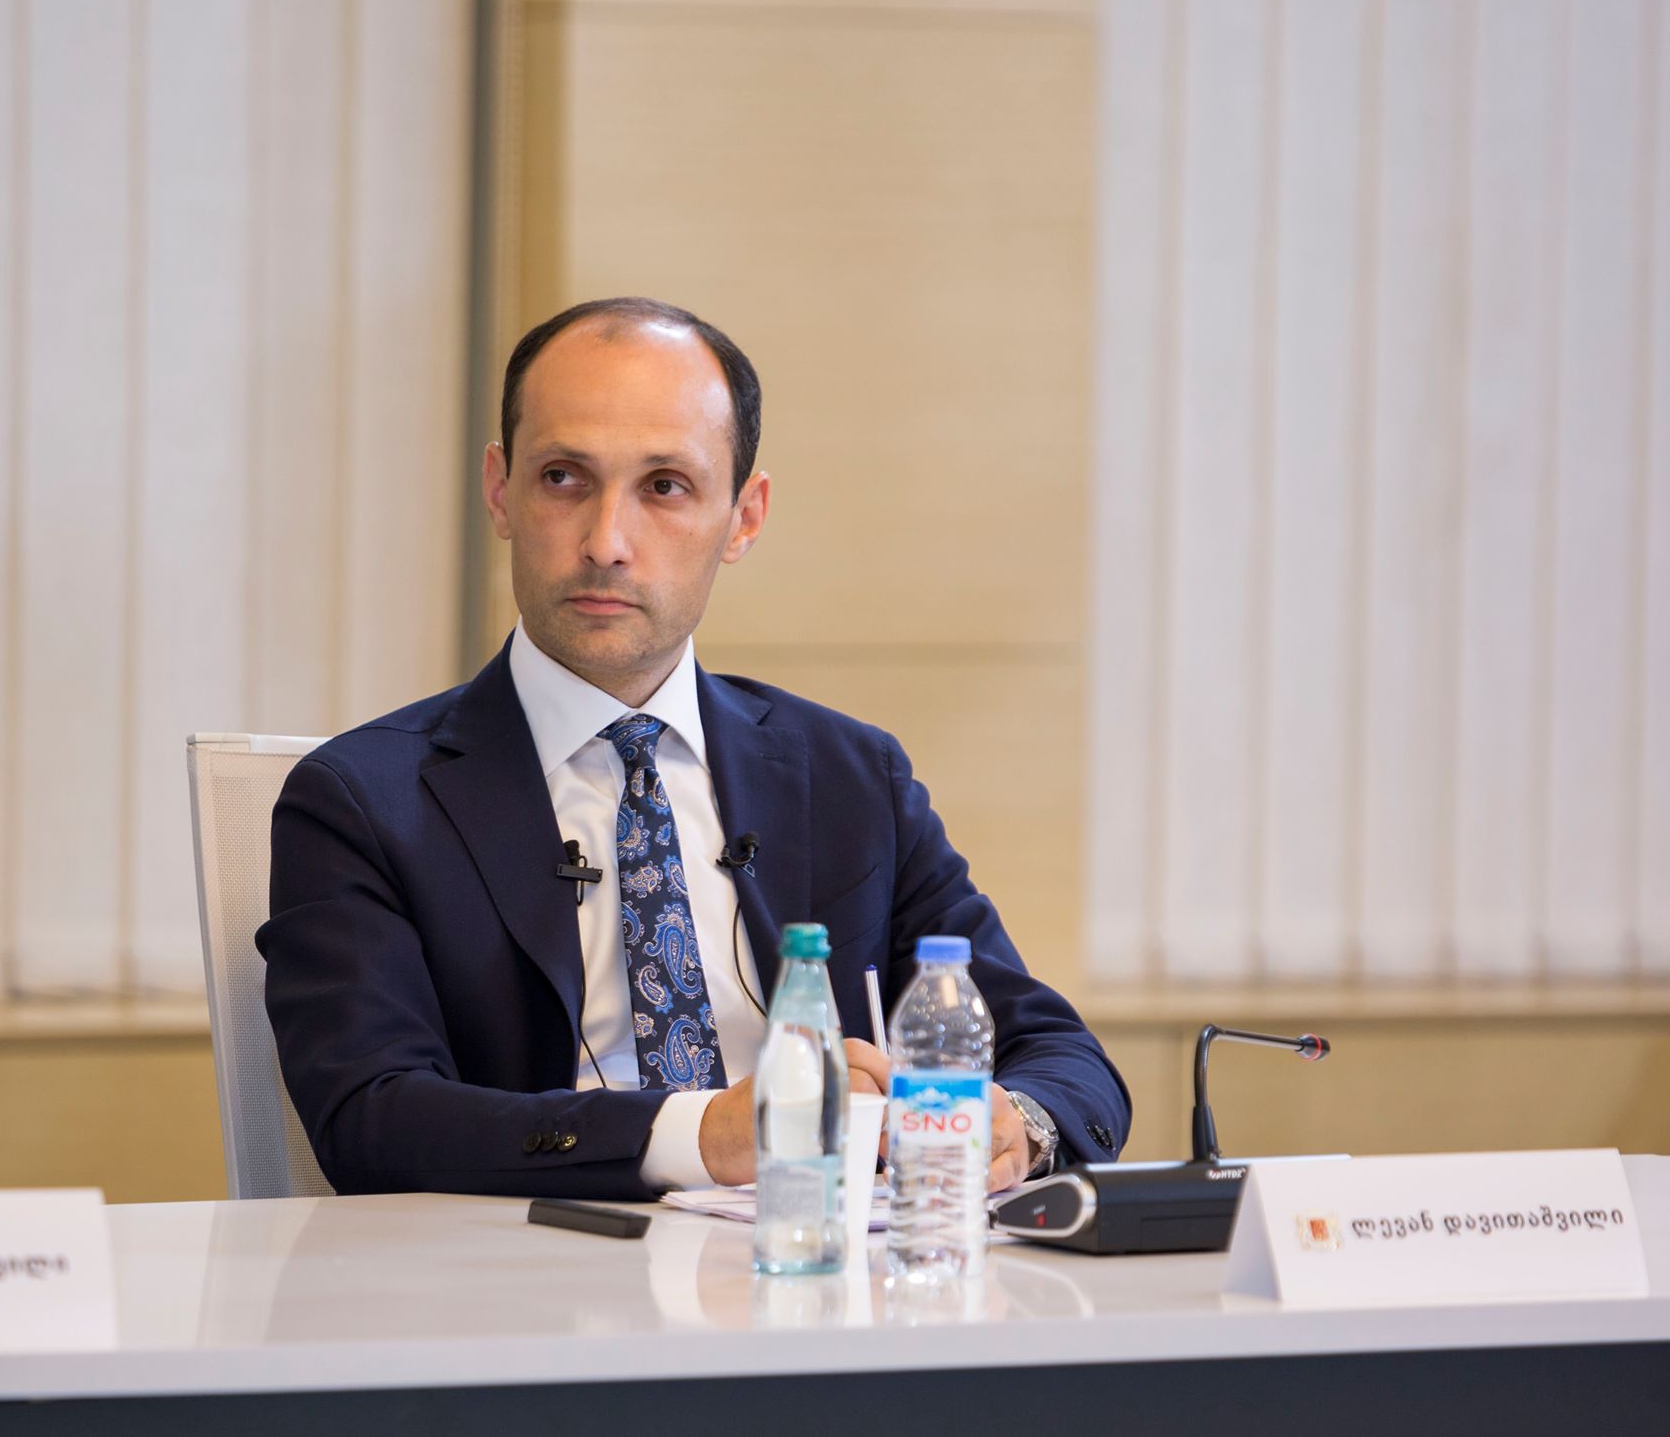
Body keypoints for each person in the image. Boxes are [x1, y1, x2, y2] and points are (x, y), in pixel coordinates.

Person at [258, 297, 1130, 1200]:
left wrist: (1021, 1123)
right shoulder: (363, 802)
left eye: (665, 486)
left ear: (744, 517)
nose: (606, 543)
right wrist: (700, 1135)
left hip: (824, 1263)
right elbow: (371, 1119)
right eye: (563, 477)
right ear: (500, 490)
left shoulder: (851, 780)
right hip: (532, 1266)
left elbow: (1058, 1055)